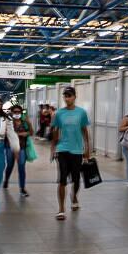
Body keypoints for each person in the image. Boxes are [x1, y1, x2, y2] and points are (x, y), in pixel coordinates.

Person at [50, 86, 92, 221]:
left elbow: (85, 131)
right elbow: (55, 132)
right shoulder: (59, 114)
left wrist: (87, 149)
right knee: (62, 179)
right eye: (65, 96)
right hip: (62, 149)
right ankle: (61, 209)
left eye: (69, 96)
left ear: (75, 97)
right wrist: (53, 149)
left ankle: (74, 197)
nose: (67, 98)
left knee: (76, 179)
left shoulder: (81, 113)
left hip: (77, 150)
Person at [4, 103, 30, 197]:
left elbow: (31, 132)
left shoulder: (24, 122)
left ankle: (22, 188)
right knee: (10, 165)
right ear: (11, 112)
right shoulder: (8, 122)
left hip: (21, 147)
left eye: (19, 112)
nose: (17, 113)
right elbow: (5, 133)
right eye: (15, 112)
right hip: (10, 146)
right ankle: (6, 180)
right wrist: (17, 135)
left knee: (21, 166)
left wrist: (27, 130)